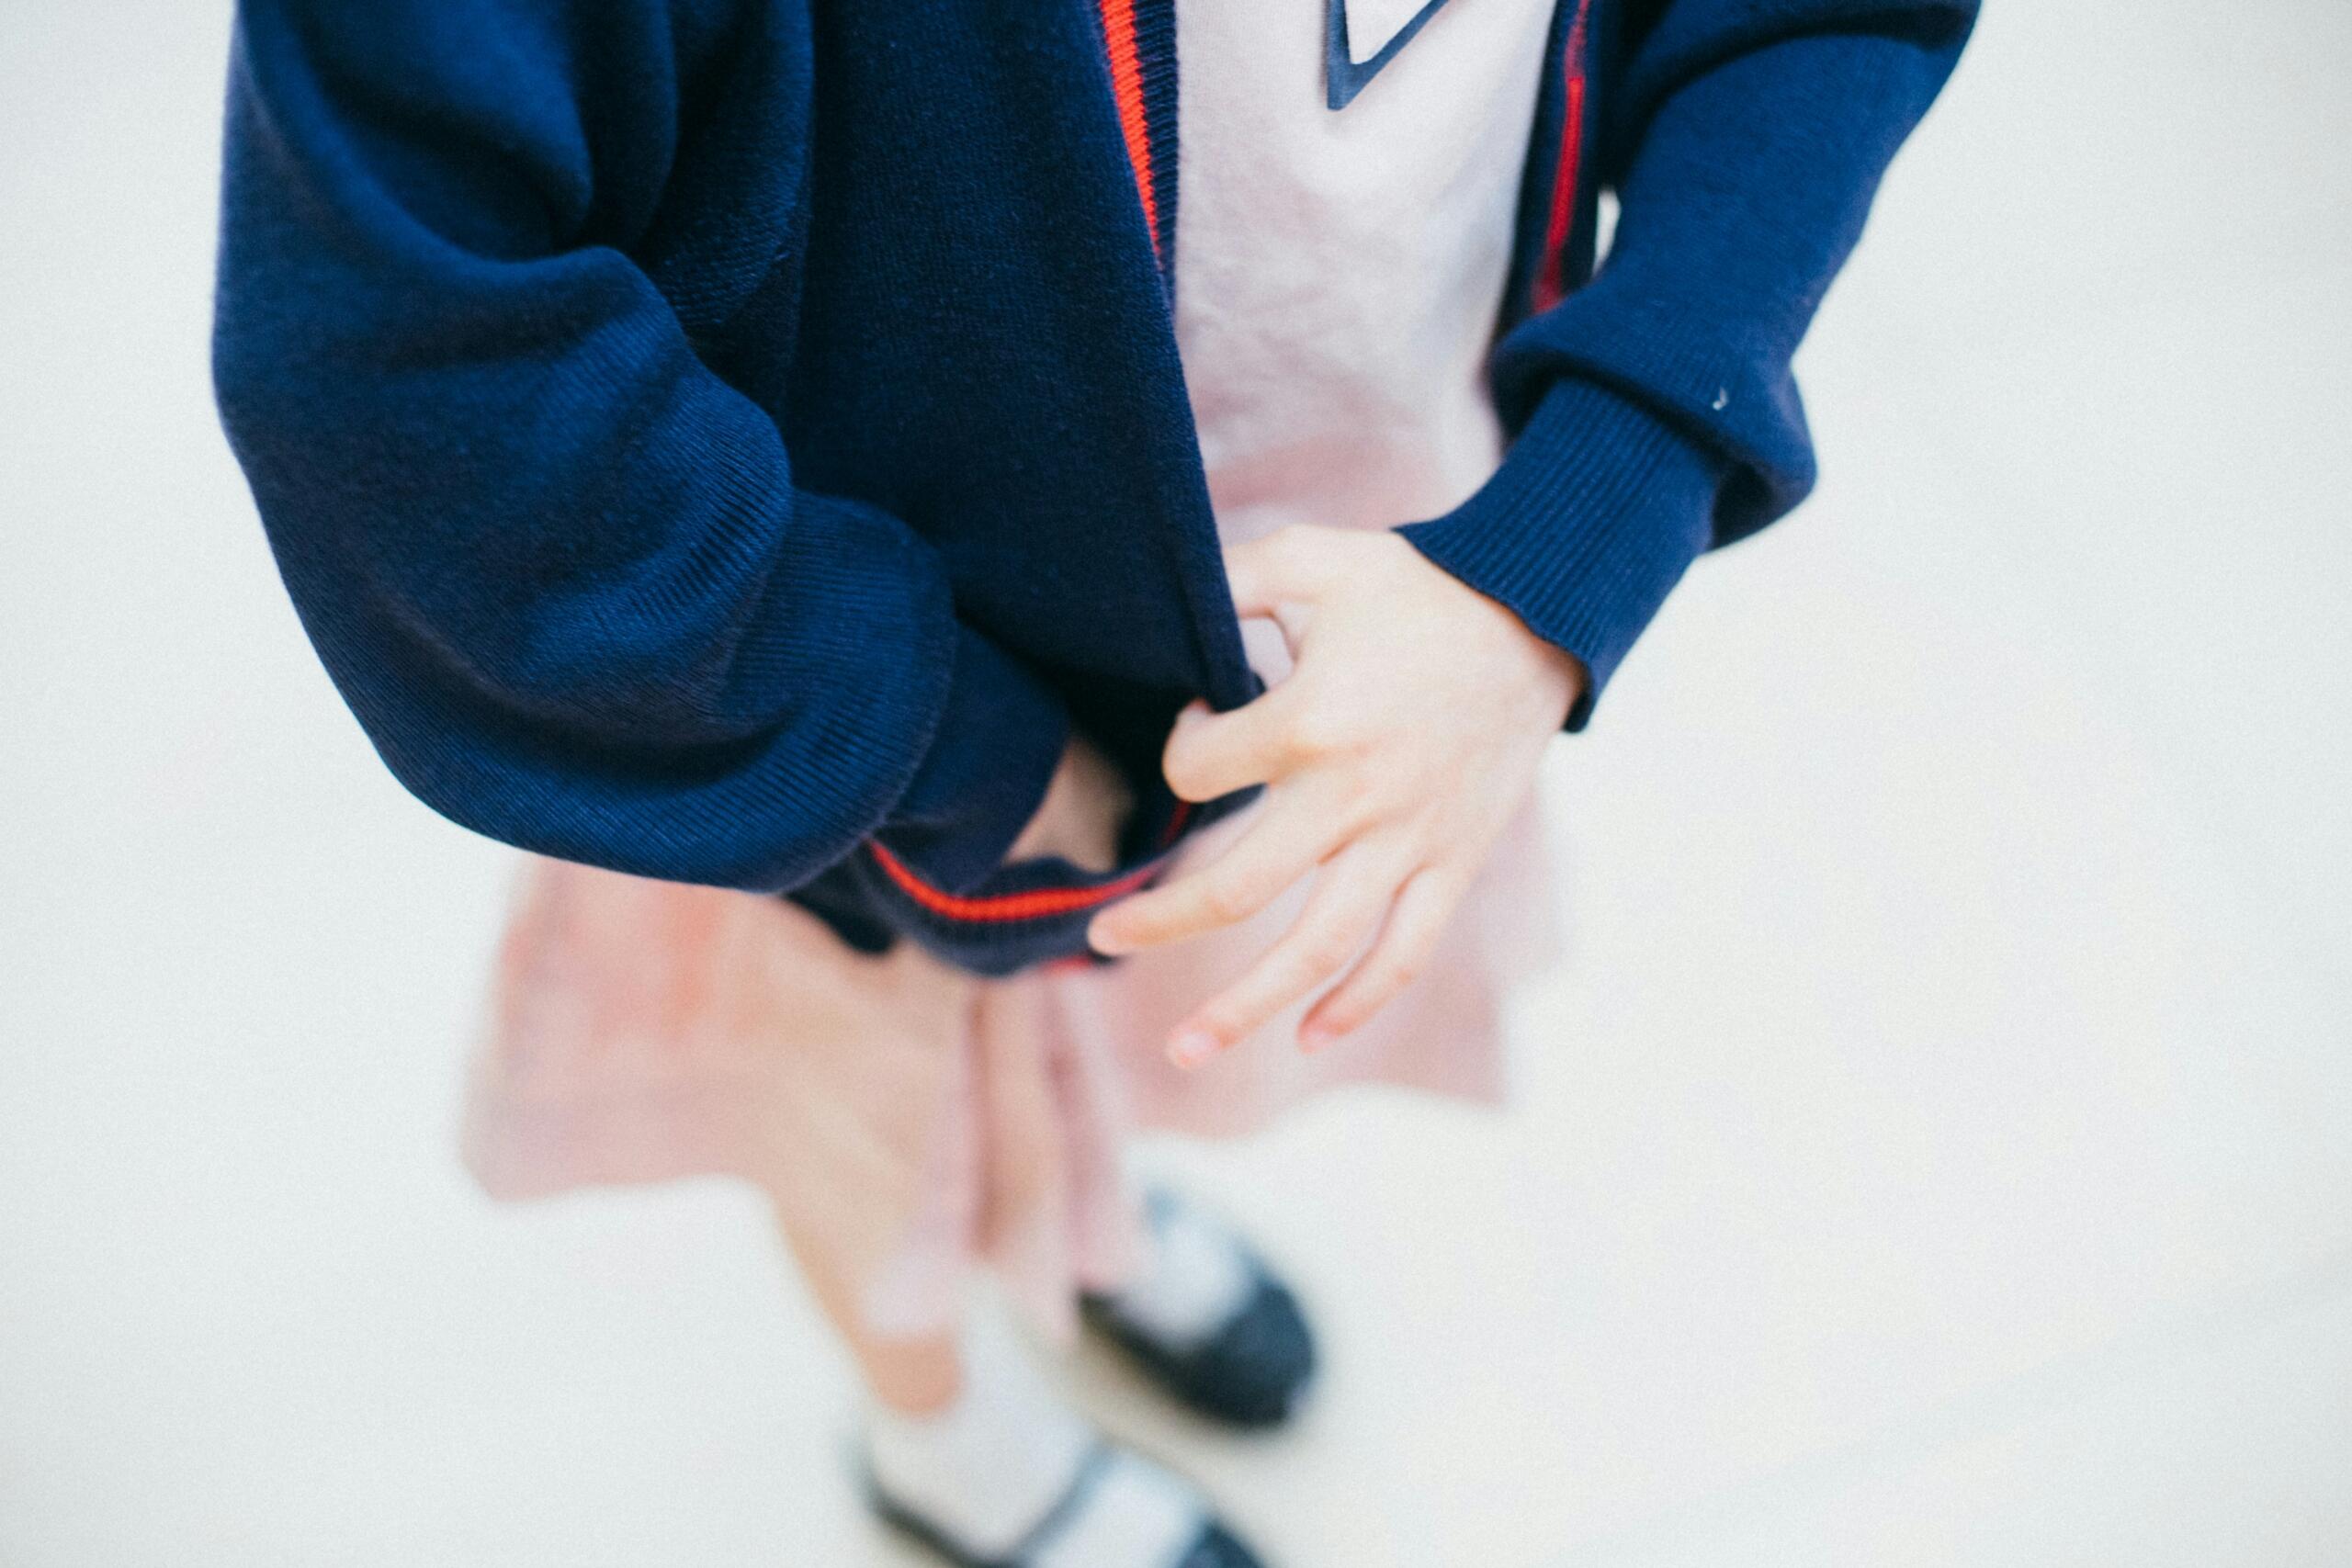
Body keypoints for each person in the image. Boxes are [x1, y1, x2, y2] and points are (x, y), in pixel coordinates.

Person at [213, 0, 1975, 1561]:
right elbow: (411, 355)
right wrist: (929, 739)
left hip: (1370, 594)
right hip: (824, 701)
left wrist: (1574, 530)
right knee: (871, 1125)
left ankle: (1097, 1228)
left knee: (1144, 1029)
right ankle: (943, 1443)